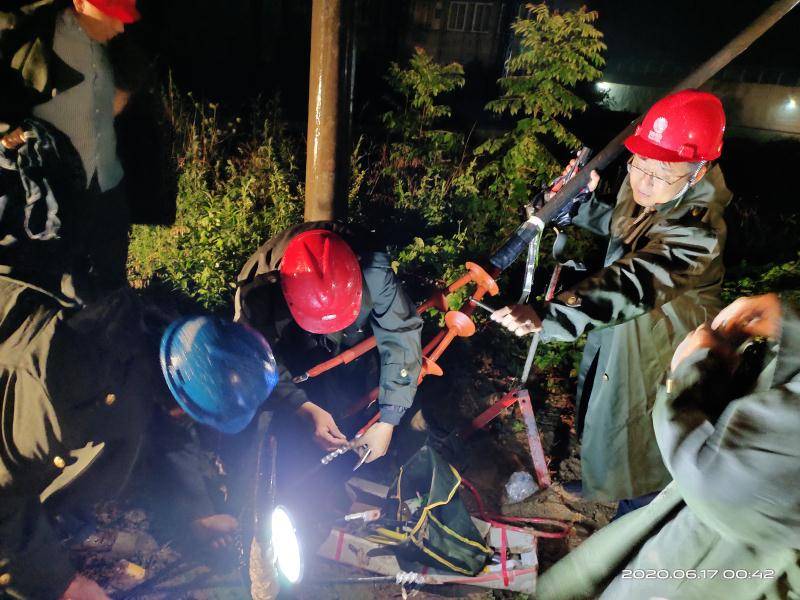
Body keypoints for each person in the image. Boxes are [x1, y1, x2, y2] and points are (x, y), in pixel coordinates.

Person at [492, 90, 732, 504]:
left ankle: (635, 516)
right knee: (603, 415)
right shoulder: (658, 187)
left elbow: (634, 280)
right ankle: (602, 481)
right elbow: (627, 227)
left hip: (659, 346)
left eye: (657, 175)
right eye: (637, 164)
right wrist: (576, 208)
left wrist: (551, 315)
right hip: (623, 331)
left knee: (641, 435)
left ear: (697, 171)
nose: (640, 181)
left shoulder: (699, 233)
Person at [536, 293, 800, 600]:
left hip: (731, 564)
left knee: (646, 465)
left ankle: (631, 504)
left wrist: (686, 374)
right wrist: (789, 327)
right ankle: (626, 507)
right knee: (644, 494)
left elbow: (718, 482)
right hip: (717, 520)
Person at [235, 221, 424, 463]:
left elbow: (401, 335)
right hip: (298, 349)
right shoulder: (258, 292)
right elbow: (258, 361)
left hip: (351, 346)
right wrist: (302, 406)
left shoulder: (372, 271)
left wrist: (388, 420)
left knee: (355, 391)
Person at [0, 0, 141, 296]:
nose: (120, 26)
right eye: (113, 16)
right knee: (60, 285)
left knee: (111, 282)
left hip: (107, 182)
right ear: (80, 4)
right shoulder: (33, 34)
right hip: (56, 191)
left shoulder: (115, 47)